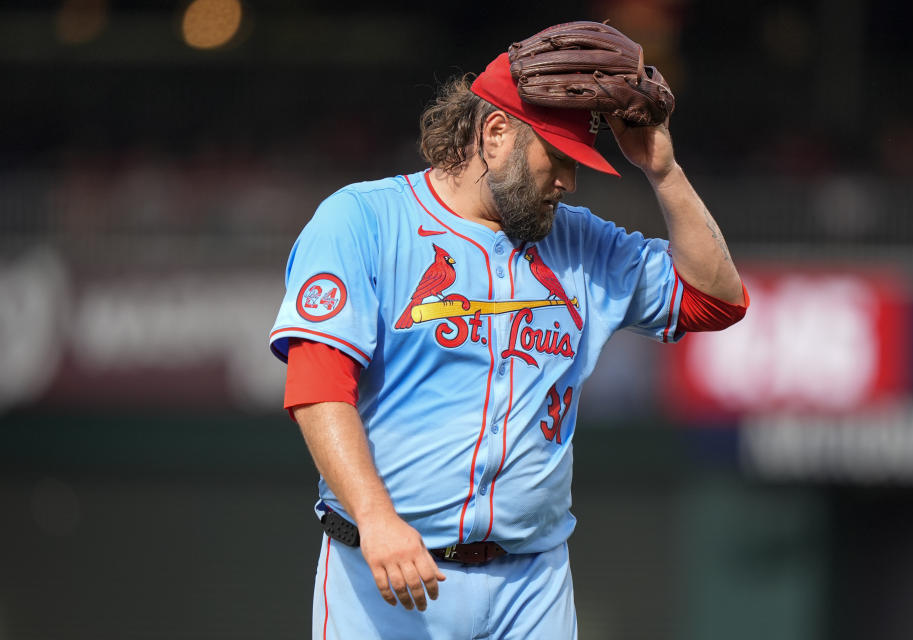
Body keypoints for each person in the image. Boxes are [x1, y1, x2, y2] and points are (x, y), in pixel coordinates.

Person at [268, 28, 748, 640]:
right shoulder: (363, 219)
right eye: (559, 158)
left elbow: (715, 302)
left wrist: (664, 170)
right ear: (496, 135)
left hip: (533, 584)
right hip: (387, 573)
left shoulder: (581, 242)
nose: (569, 182)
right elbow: (317, 385)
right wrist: (375, 515)